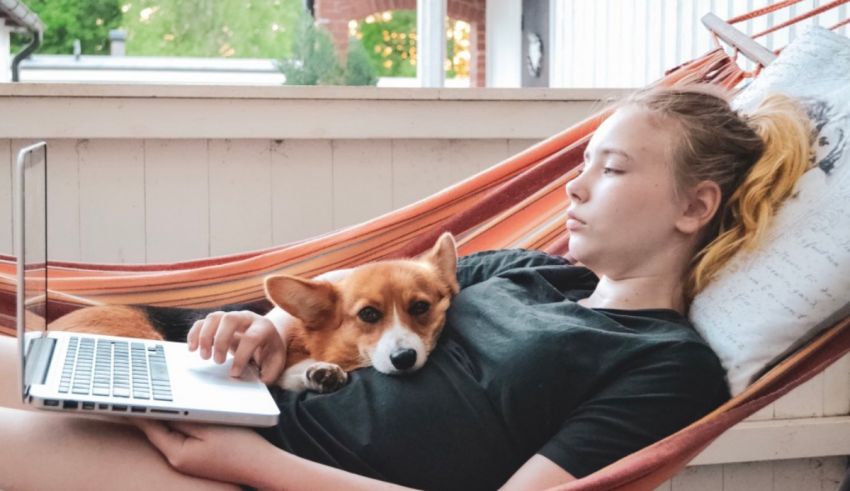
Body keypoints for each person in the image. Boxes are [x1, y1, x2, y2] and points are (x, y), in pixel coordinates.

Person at [0, 85, 812, 491]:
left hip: (244, 471)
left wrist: (254, 465)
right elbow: (345, 302)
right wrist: (265, 334)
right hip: (224, 402)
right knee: (20, 357)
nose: (573, 186)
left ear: (694, 206)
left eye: (612, 167)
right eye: (580, 162)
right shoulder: (528, 270)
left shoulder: (667, 365)